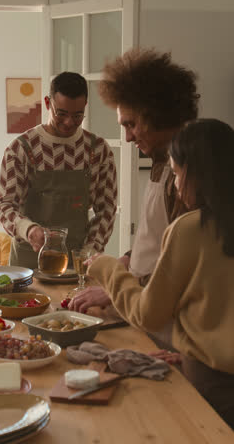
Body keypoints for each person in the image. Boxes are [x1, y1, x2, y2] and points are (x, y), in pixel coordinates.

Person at [85, 118, 234, 428]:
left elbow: (148, 314)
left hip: (212, 386)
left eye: (178, 174)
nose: (177, 186)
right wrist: (189, 349)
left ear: (195, 173)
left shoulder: (191, 229)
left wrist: (108, 269)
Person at [69, 48, 199, 324]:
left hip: (166, 324)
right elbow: (152, 239)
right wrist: (126, 261)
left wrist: (116, 286)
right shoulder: (160, 161)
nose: (127, 137)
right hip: (140, 311)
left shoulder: (189, 177)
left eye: (131, 124)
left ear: (159, 115)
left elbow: (183, 271)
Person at [0, 72, 117, 269]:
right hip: (28, 263)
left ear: (85, 106)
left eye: (77, 115)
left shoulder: (98, 150)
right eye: (61, 113)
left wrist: (90, 251)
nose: (69, 122)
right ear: (47, 103)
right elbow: (4, 206)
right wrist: (29, 230)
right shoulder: (21, 149)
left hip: (78, 261)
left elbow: (107, 210)